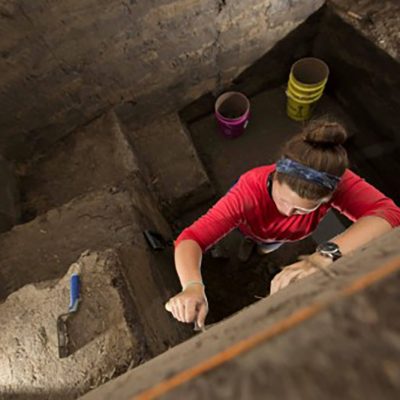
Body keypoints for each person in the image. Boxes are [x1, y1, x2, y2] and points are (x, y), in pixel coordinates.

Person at [165, 120, 400, 329]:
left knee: (269, 245)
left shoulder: (338, 182)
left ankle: (260, 250)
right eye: (282, 200)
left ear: (329, 198)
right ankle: (252, 244)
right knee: (254, 237)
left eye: (300, 209)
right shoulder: (247, 192)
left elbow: (390, 214)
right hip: (250, 225)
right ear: (276, 174)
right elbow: (192, 238)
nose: (287, 212)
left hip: (283, 237)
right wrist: (193, 286)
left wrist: (323, 255)